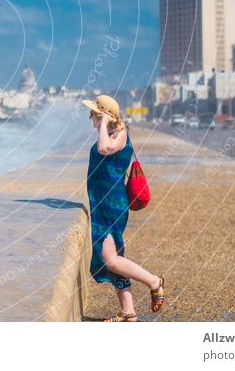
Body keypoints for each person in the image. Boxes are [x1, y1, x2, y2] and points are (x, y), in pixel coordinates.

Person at [81, 95, 165, 322]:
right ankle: (128, 311)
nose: (90, 118)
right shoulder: (111, 132)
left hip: (111, 204)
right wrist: (105, 124)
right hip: (101, 204)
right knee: (113, 257)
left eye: (93, 114)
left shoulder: (118, 134)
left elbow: (104, 148)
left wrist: (106, 123)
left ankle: (154, 281)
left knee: (111, 260)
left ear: (102, 114)